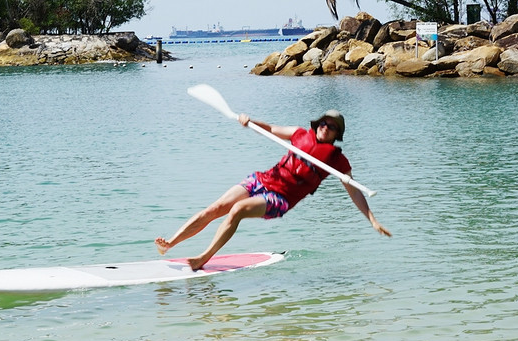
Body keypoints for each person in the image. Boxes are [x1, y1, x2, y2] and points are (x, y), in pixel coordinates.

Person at [155, 110, 390, 270]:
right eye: (323, 123)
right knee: (216, 208)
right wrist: (250, 121)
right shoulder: (300, 134)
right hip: (262, 180)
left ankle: (203, 258)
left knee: (237, 210)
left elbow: (354, 190)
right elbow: (268, 128)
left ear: (337, 134)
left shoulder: (337, 161)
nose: (325, 128)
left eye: (332, 127)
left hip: (280, 198)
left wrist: (372, 219)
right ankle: (170, 244)